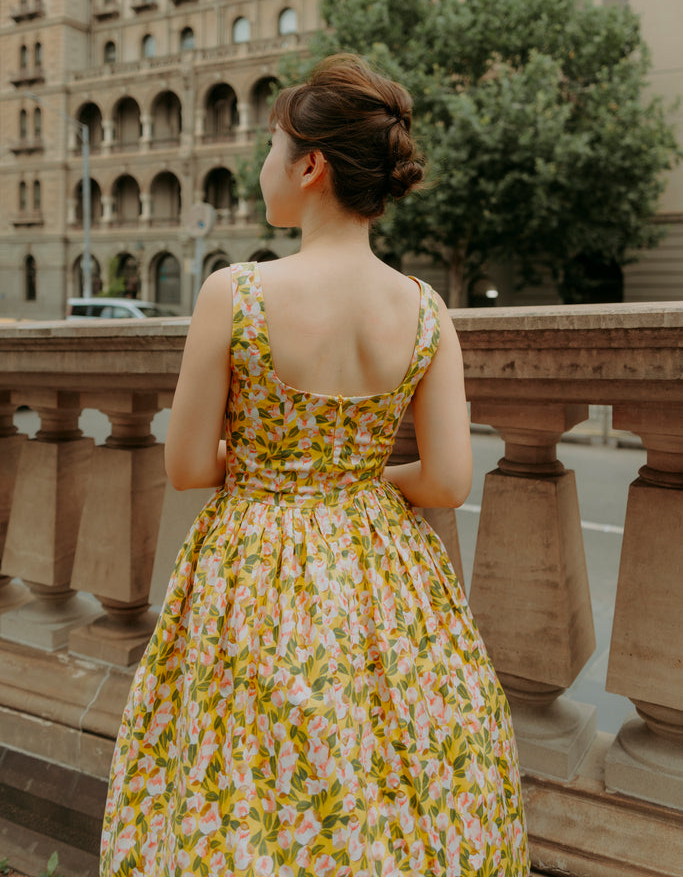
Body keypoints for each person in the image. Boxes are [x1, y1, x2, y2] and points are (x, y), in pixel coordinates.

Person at [100, 54, 529, 876]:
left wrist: (281, 473)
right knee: (392, 778)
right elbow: (445, 480)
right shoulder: (426, 308)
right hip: (385, 571)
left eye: (270, 150)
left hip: (254, 565)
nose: (260, 169)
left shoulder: (237, 293)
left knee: (245, 783)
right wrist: (351, 484)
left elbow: (188, 464)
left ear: (310, 164)